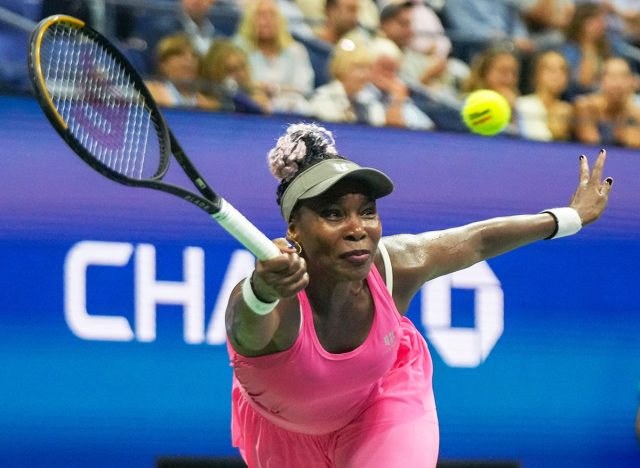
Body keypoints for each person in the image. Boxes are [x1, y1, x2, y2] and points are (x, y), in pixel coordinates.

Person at [225, 122, 612, 466]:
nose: (358, 228)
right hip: (283, 433)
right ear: (294, 228)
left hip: (379, 406)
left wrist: (569, 218)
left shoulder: (393, 267)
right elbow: (245, 330)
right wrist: (262, 291)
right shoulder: (278, 296)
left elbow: (477, 241)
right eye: (333, 214)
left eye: (368, 211)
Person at [234, 0, 315, 115]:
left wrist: (273, 89)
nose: (266, 20)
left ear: (280, 20)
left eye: (271, 15)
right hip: (250, 109)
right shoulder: (239, 49)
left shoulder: (296, 51)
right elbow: (235, 84)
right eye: (260, 15)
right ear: (250, 19)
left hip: (288, 109)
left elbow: (304, 88)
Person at [308, 38, 385, 125]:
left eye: (369, 68)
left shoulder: (370, 102)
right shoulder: (322, 99)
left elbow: (378, 123)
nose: (366, 75)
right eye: (360, 68)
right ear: (341, 68)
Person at [574, 56, 640, 148]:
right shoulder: (585, 106)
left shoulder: (636, 114)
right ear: (601, 81)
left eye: (623, 76)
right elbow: (590, 142)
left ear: (632, 81)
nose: (618, 83)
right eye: (612, 76)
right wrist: (623, 134)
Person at [144, 33, 219, 110]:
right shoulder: (147, 93)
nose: (189, 60)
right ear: (163, 64)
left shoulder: (208, 104)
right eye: (179, 54)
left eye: (194, 55)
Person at [200, 40, 271, 114]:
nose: (241, 74)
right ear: (214, 73)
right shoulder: (200, 97)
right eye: (231, 70)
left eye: (243, 67)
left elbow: (262, 108)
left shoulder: (253, 93)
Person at [516, 50, 574, 141]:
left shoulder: (570, 111)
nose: (558, 75)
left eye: (563, 70)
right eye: (551, 70)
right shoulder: (522, 105)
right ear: (536, 74)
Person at [560, 2, 612, 100]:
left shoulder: (607, 45)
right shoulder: (569, 49)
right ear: (583, 23)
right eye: (597, 20)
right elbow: (584, 83)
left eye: (602, 20)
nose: (603, 24)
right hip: (579, 98)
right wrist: (588, 44)